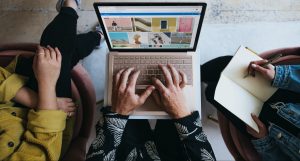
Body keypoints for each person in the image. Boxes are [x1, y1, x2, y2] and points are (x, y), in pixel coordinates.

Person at [0, 0, 102, 160]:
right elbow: (42, 147)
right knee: (59, 52)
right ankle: (76, 14)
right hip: (48, 129)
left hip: (14, 95)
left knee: (59, 53)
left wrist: (35, 100)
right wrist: (47, 87)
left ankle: (93, 33)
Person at [87, 64, 216, 161]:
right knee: (167, 95)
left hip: (125, 154)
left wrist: (119, 114)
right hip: (178, 154)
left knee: (125, 96)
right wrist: (180, 113)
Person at [201, 55, 300, 161]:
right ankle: (191, 73)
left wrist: (263, 139)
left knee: (212, 92)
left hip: (262, 127)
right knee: (227, 66)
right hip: (283, 89)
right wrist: (279, 75)